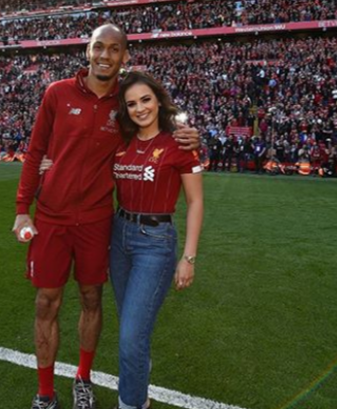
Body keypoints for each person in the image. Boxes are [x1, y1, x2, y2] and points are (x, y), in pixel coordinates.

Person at [12, 24, 199, 409]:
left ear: (124, 56)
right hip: (51, 217)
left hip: (99, 221)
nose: (105, 55)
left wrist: (192, 136)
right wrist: (21, 210)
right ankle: (45, 392)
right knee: (46, 302)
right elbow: (34, 153)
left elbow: (157, 129)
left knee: (91, 298)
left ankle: (83, 378)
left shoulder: (126, 104)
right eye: (99, 47)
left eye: (115, 49)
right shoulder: (57, 93)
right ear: (88, 50)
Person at [109, 71, 203, 409]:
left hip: (155, 242)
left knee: (131, 336)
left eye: (145, 99)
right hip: (118, 238)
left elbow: (195, 202)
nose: (140, 108)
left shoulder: (179, 143)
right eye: (131, 103)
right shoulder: (120, 142)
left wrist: (188, 258)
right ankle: (139, 392)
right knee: (132, 331)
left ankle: (132, 404)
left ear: (158, 101)